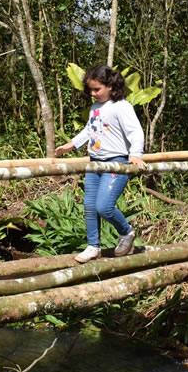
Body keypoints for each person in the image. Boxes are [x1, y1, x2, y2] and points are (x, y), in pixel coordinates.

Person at [54, 65, 147, 263]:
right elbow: (90, 130)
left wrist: (136, 154)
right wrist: (71, 145)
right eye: (91, 90)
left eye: (97, 89)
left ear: (111, 86)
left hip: (115, 162)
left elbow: (135, 132)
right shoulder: (95, 108)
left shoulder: (121, 106)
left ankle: (126, 231)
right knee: (89, 206)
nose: (93, 93)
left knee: (104, 206)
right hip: (95, 162)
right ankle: (93, 246)